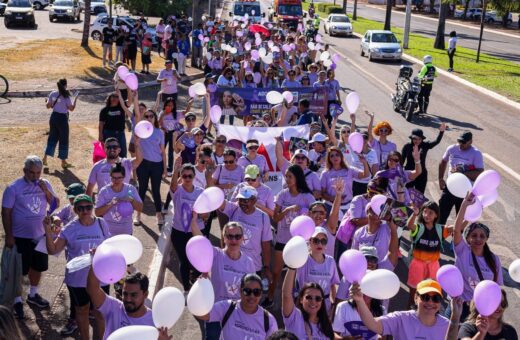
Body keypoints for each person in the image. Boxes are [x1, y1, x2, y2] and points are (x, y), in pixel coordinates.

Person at [44, 194, 110, 340]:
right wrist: (48, 232)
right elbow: (53, 250)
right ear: (75, 210)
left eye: (88, 207)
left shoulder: (101, 223)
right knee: (82, 310)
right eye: (80, 208)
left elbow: (109, 246)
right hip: (78, 279)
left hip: (100, 277)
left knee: (100, 312)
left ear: (92, 207)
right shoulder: (70, 228)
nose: (85, 211)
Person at [2, 155, 59, 319]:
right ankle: (17, 300)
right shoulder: (13, 188)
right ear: (24, 171)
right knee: (19, 270)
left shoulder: (45, 184)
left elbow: (55, 204)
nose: (35, 176)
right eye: (32, 173)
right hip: (20, 237)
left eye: (38, 173)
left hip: (40, 235)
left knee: (38, 267)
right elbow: (6, 212)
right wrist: (9, 236)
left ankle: (33, 295)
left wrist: (46, 191)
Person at [190, 217, 255, 340]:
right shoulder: (216, 254)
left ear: (242, 238)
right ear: (224, 237)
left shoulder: (249, 263)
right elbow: (199, 240)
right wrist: (193, 220)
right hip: (215, 312)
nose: (233, 240)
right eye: (230, 236)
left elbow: (251, 290)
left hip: (236, 315)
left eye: (237, 236)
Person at [447, 193, 503, 321]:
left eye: (482, 236)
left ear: (486, 239)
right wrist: (464, 204)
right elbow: (456, 230)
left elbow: (495, 288)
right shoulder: (462, 251)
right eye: (474, 235)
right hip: (459, 306)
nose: (478, 239)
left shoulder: (494, 260)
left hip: (481, 310)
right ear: (468, 238)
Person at [266, 165, 316, 308]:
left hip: (300, 243)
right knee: (276, 273)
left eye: (290, 176)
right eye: (286, 176)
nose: (287, 179)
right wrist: (287, 210)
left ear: (297, 178)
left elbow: (314, 217)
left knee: (298, 277)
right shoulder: (282, 195)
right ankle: (270, 297)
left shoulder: (307, 197)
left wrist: (305, 212)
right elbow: (275, 218)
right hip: (282, 240)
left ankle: (298, 304)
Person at [350, 279, 450, 339]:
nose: (430, 302)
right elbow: (373, 324)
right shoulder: (401, 319)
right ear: (415, 298)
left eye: (436, 298)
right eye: (425, 297)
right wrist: (359, 301)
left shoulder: (447, 325)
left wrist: (456, 316)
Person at [217, 186, 273, 288]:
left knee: (250, 295)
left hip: (254, 266)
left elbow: (266, 244)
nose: (242, 203)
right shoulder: (233, 209)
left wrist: (266, 266)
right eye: (240, 200)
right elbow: (218, 201)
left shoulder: (263, 217)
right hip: (232, 262)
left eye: (246, 200)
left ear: (254, 200)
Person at [195, 273, 278, 339]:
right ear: (240, 291)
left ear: (261, 294)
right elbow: (202, 314)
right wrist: (200, 289)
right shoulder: (227, 307)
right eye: (247, 291)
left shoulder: (269, 321)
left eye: (256, 292)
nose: (252, 296)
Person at [87, 268, 158, 339]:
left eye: (133, 295)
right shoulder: (113, 307)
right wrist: (96, 262)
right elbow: (92, 289)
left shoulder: (154, 322)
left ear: (145, 294)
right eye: (125, 294)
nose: (128, 299)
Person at [406, 201, 453, 308]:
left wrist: (468, 216)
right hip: (417, 264)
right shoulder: (418, 228)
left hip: (433, 265)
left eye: (430, 212)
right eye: (425, 212)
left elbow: (458, 227)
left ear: (436, 215)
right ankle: (409, 313)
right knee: (413, 294)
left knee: (431, 293)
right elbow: (409, 225)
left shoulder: (441, 230)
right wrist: (414, 214)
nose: (426, 215)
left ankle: (427, 316)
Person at [169, 162, 205, 293]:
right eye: (184, 176)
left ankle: (196, 281)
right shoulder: (177, 190)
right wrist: (175, 170)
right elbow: (172, 186)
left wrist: (199, 214)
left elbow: (206, 214)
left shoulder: (200, 192)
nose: (188, 179)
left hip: (196, 232)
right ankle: (186, 289)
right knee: (184, 261)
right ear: (181, 177)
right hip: (178, 232)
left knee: (197, 260)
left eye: (190, 176)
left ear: (194, 177)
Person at [438, 131, 484, 225]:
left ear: (470, 142)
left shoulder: (476, 153)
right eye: (459, 141)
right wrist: (440, 178)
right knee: (441, 215)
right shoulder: (452, 148)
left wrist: (462, 173)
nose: (460, 144)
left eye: (463, 142)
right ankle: (439, 237)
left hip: (465, 191)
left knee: (461, 219)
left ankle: (457, 239)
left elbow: (479, 173)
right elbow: (443, 162)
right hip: (450, 188)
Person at [134, 110, 167, 226]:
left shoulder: (160, 133)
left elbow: (163, 152)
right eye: (146, 116)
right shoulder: (139, 131)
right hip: (143, 164)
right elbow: (135, 147)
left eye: (151, 116)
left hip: (157, 165)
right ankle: (138, 214)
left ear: (155, 118)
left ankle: (158, 215)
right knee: (142, 189)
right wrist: (137, 142)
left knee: (156, 190)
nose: (149, 118)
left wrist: (165, 168)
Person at [282, 266, 335, 339]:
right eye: (309, 297)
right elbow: (286, 295)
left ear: (322, 302)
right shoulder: (294, 317)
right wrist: (292, 267)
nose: (313, 301)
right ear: (301, 299)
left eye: (318, 298)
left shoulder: (325, 324)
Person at [296, 227, 340, 313]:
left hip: (325, 305)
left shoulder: (331, 261)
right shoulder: (303, 260)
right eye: (316, 240)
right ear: (310, 242)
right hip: (309, 304)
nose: (320, 244)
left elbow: (333, 285)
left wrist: (333, 307)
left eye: (323, 241)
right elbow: (301, 287)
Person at [320, 146, 369, 218]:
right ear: (329, 159)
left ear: (341, 156)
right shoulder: (325, 173)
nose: (335, 157)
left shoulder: (349, 170)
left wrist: (364, 162)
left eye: (337, 154)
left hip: (348, 207)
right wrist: (334, 198)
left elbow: (365, 175)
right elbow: (322, 193)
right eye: (332, 156)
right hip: (330, 206)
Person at [94, 163, 143, 236]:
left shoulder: (130, 189)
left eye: (119, 178)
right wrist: (110, 203)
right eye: (113, 178)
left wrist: (132, 200)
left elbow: (140, 208)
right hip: (108, 233)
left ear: (124, 177)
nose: (116, 180)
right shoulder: (104, 191)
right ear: (110, 177)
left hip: (126, 232)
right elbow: (97, 213)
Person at [43, 78, 78, 169]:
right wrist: (75, 99)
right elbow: (71, 109)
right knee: (63, 140)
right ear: (66, 85)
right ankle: (63, 162)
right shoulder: (66, 96)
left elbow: (48, 106)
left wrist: (47, 101)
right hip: (62, 119)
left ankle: (45, 158)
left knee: (52, 138)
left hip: (53, 117)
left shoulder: (53, 93)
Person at [401, 124, 446, 193]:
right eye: (415, 139)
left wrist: (441, 132)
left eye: (419, 139)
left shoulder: (425, 145)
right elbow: (402, 160)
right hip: (409, 173)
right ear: (411, 138)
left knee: (419, 195)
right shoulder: (407, 146)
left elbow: (437, 141)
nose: (417, 141)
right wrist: (399, 172)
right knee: (406, 193)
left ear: (422, 139)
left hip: (421, 174)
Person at [98, 92, 131, 158]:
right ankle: (110, 167)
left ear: (119, 99)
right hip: (108, 133)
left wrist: (128, 89)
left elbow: (130, 101)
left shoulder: (122, 107)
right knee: (110, 153)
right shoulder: (104, 110)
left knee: (122, 153)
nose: (114, 98)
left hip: (120, 134)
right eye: (113, 96)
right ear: (109, 98)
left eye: (117, 97)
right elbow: (101, 123)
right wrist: (100, 135)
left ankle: (122, 167)